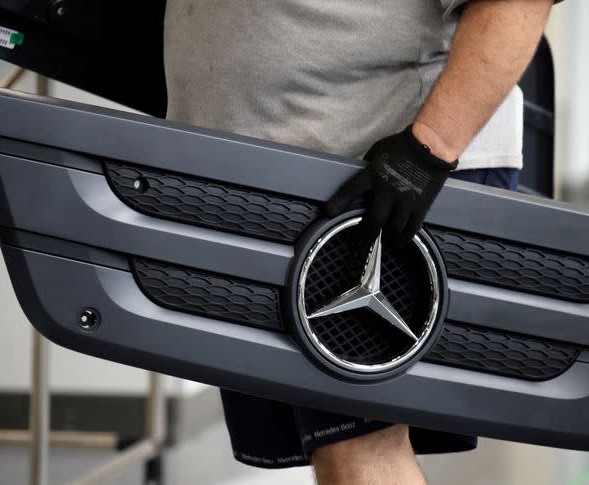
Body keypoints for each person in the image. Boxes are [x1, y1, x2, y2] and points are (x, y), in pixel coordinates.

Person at [164, 1, 557, 483]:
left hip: (372, 187)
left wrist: (425, 153)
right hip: (268, 179)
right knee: (338, 454)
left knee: (359, 451)